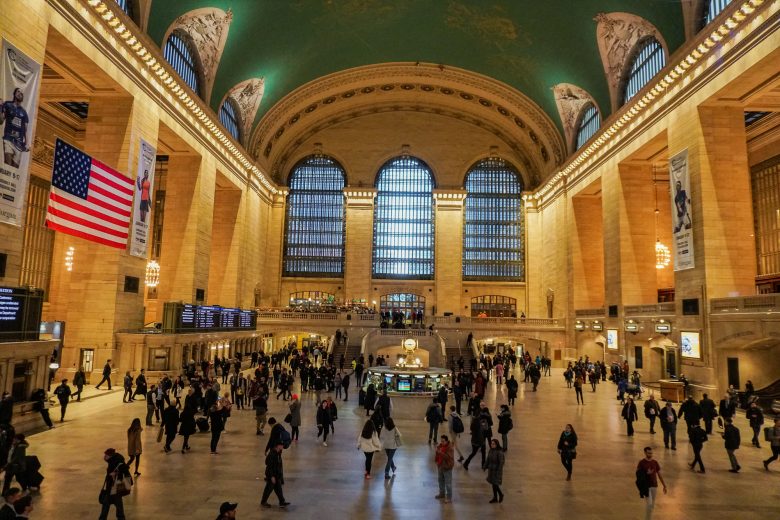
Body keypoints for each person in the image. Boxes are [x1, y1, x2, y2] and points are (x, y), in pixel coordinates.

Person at [98, 448, 132, 520]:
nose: (104, 457)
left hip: (115, 488)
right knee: (112, 504)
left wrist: (116, 474)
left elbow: (125, 470)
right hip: (112, 488)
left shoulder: (117, 462)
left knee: (109, 504)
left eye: (106, 455)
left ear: (110, 456)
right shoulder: (113, 461)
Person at [1, 88, 30, 168]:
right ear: (14, 93)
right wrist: (0, 107)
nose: (20, 93)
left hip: (19, 143)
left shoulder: (24, 113)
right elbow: (1, 121)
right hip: (8, 139)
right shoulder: (7, 104)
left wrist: (27, 143)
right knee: (7, 164)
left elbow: (25, 130)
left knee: (14, 168)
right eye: (18, 91)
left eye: (22, 93)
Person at [636, 447, 667, 520]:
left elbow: (659, 474)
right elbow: (638, 474)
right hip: (646, 486)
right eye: (649, 453)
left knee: (652, 505)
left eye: (651, 453)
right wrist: (647, 473)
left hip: (654, 486)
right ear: (645, 453)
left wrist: (664, 485)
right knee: (649, 504)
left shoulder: (655, 462)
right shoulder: (641, 462)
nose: (650, 454)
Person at [261, 441, 289, 508]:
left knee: (278, 489)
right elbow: (269, 465)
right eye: (281, 445)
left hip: (276, 475)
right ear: (278, 446)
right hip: (272, 475)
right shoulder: (272, 454)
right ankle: (263, 502)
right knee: (268, 489)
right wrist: (271, 476)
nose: (283, 446)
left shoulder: (278, 453)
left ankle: (282, 502)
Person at [434, 434, 454, 504]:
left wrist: (440, 453)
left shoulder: (450, 448)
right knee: (440, 480)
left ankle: (449, 497)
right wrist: (436, 460)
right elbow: (437, 454)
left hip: (447, 467)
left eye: (443, 441)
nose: (441, 442)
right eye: (441, 441)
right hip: (440, 466)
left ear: (446, 441)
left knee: (448, 483)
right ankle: (442, 493)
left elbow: (448, 457)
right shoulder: (440, 446)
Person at [485, 438, 505, 504]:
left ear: (496, 444)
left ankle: (500, 494)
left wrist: (498, 472)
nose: (492, 445)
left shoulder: (499, 452)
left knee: (495, 484)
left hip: (496, 471)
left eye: (493, 444)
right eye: (491, 444)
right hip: (491, 470)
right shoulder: (491, 450)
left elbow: (501, 463)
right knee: (493, 484)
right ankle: (495, 498)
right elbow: (488, 459)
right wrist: (485, 466)